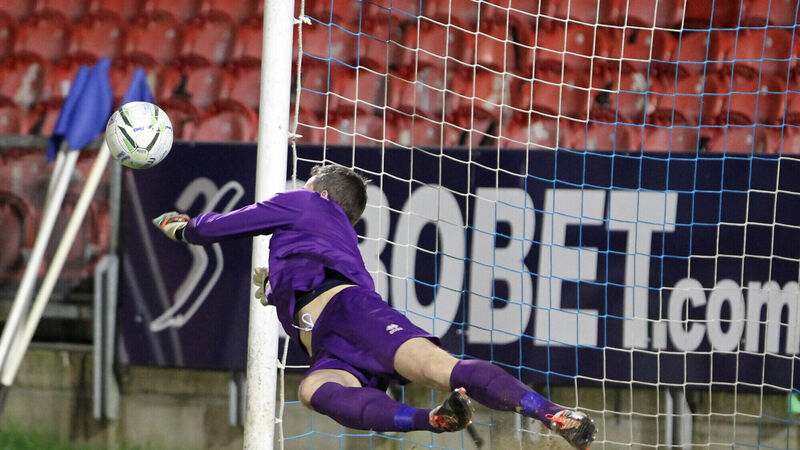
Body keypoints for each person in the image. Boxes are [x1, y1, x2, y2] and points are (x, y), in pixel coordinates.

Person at [152, 164, 596, 449]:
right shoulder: (326, 234)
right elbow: (310, 275)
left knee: (439, 367)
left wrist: (187, 228)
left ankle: (554, 413)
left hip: (350, 314)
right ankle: (434, 419)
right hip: (329, 342)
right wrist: (276, 287)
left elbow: (232, 224)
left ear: (322, 192)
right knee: (314, 391)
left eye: (308, 185)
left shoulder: (307, 202)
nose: (302, 190)